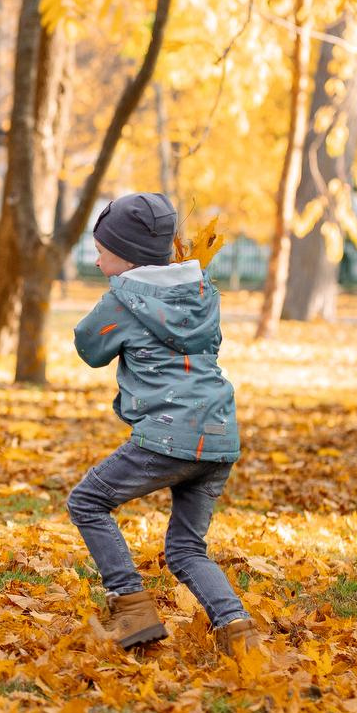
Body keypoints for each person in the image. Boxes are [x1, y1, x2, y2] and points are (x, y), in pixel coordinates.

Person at [67, 192, 258, 656]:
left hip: (168, 435)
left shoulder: (122, 301)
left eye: (102, 251)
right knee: (186, 548)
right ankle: (240, 633)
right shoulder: (201, 292)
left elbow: (90, 349)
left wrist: (113, 307)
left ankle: (131, 607)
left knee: (88, 501)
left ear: (127, 255)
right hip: (218, 435)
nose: (96, 261)